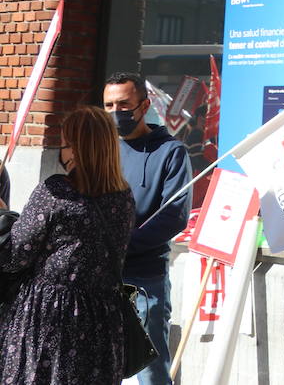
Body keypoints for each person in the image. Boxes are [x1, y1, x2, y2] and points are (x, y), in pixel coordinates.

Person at [0, 106, 134, 384]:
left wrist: (3, 215)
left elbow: (13, 255)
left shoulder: (56, 192)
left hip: (50, 316)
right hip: (102, 320)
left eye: (64, 142)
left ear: (76, 149)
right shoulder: (124, 197)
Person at [104, 71, 190, 385]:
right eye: (109, 105)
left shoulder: (171, 152)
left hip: (144, 281)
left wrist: (123, 244)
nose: (116, 113)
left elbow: (174, 215)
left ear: (144, 105)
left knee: (150, 372)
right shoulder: (103, 149)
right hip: (99, 275)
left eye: (123, 104)